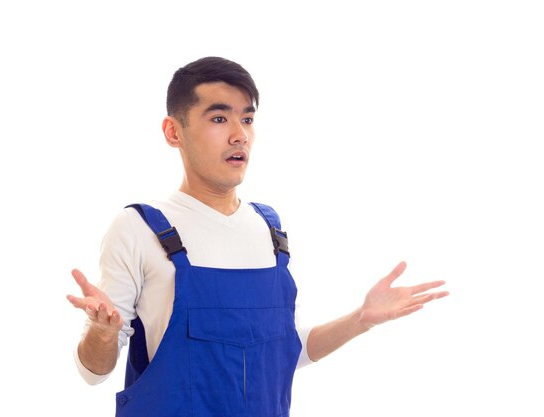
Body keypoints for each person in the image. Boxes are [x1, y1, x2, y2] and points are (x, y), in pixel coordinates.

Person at [66, 56, 449, 417]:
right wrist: (103, 332)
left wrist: (360, 319)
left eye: (247, 120)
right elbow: (93, 373)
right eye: (219, 118)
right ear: (173, 132)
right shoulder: (140, 229)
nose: (239, 135)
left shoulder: (270, 231)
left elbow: (281, 354)